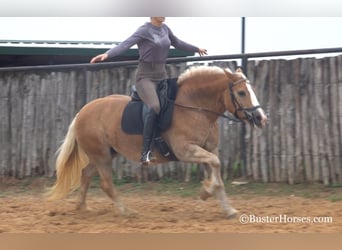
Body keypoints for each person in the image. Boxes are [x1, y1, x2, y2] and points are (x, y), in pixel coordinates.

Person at [90, 17, 207, 164]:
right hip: (145, 78)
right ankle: (145, 151)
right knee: (154, 107)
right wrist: (107, 54)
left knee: (173, 104)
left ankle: (164, 140)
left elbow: (177, 43)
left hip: (161, 77)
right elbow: (126, 44)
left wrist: (196, 49)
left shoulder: (165, 29)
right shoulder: (144, 30)